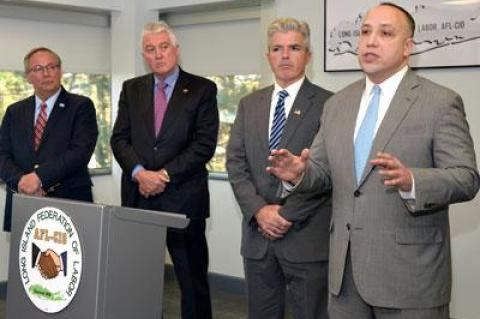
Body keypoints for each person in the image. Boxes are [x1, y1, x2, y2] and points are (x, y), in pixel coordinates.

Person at [267, 3, 479, 319]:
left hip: (410, 278)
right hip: (345, 275)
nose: (370, 40)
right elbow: (323, 173)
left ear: (408, 47)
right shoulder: (338, 104)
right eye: (365, 31)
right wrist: (299, 174)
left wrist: (414, 180)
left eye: (385, 33)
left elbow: (466, 178)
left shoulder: (439, 101)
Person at [110, 21, 219, 319]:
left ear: (176, 49)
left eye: (163, 47)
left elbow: (203, 145)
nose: (158, 55)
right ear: (144, 55)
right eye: (150, 49)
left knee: (192, 281)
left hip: (183, 200)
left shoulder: (202, 89)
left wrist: (163, 176)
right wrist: (139, 173)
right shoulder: (131, 88)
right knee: (139, 281)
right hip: (138, 198)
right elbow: (119, 138)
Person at [226, 18, 332, 319]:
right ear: (268, 56)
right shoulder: (250, 104)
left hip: (306, 238)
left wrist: (284, 215)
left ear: (308, 55)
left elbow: (329, 172)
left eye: (294, 48)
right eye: (277, 48)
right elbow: (235, 163)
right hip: (258, 239)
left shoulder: (329, 104)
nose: (285, 56)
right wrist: (260, 211)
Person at [0, 47, 98, 232]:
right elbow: (2, 154)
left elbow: (80, 152)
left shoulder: (81, 106)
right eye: (38, 68)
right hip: (24, 201)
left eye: (52, 67)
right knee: (26, 259)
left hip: (69, 199)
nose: (46, 73)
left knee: (68, 260)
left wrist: (39, 178)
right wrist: (22, 182)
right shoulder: (15, 111)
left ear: (60, 71)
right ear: (28, 76)